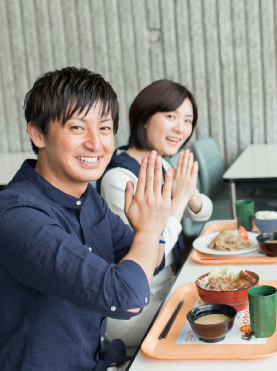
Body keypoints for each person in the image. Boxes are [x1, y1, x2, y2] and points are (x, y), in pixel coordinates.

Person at [0, 67, 171, 370]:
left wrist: (148, 232)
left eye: (104, 128)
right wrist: (150, 228)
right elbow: (129, 296)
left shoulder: (87, 198)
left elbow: (152, 260)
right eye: (77, 128)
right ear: (38, 133)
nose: (96, 143)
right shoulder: (19, 218)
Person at [98, 79, 213, 346]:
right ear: (145, 118)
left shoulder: (158, 163)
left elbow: (203, 211)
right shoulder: (119, 179)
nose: (181, 128)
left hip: (171, 287)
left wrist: (189, 194)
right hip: (137, 309)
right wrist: (181, 197)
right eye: (171, 116)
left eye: (188, 120)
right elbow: (153, 254)